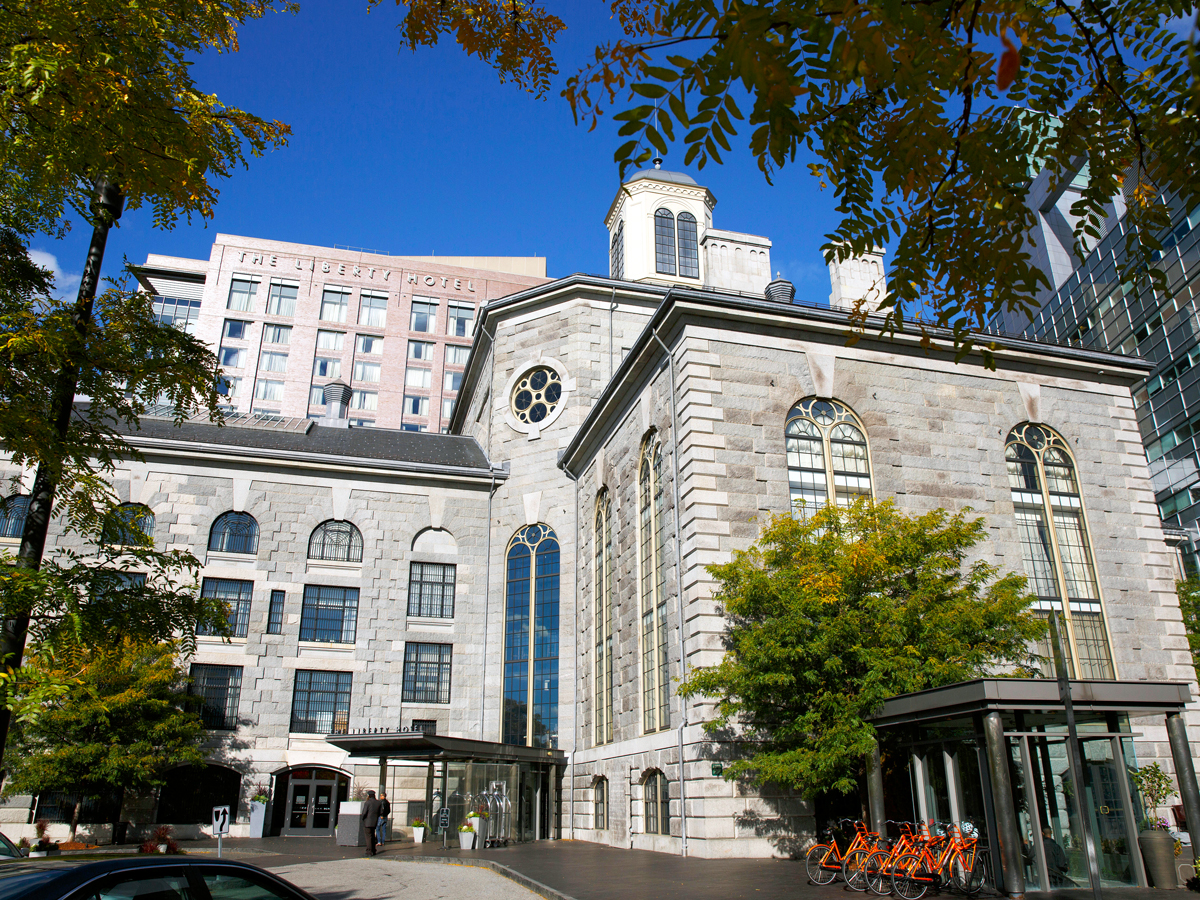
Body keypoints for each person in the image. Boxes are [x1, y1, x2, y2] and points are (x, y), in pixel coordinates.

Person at [361, 790, 383, 857]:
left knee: (368, 837)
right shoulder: (378, 803)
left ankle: (369, 851)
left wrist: (362, 818)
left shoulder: (367, 802)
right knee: (373, 836)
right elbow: (381, 812)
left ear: (368, 795)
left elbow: (364, 812)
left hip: (367, 822)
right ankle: (374, 850)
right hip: (374, 821)